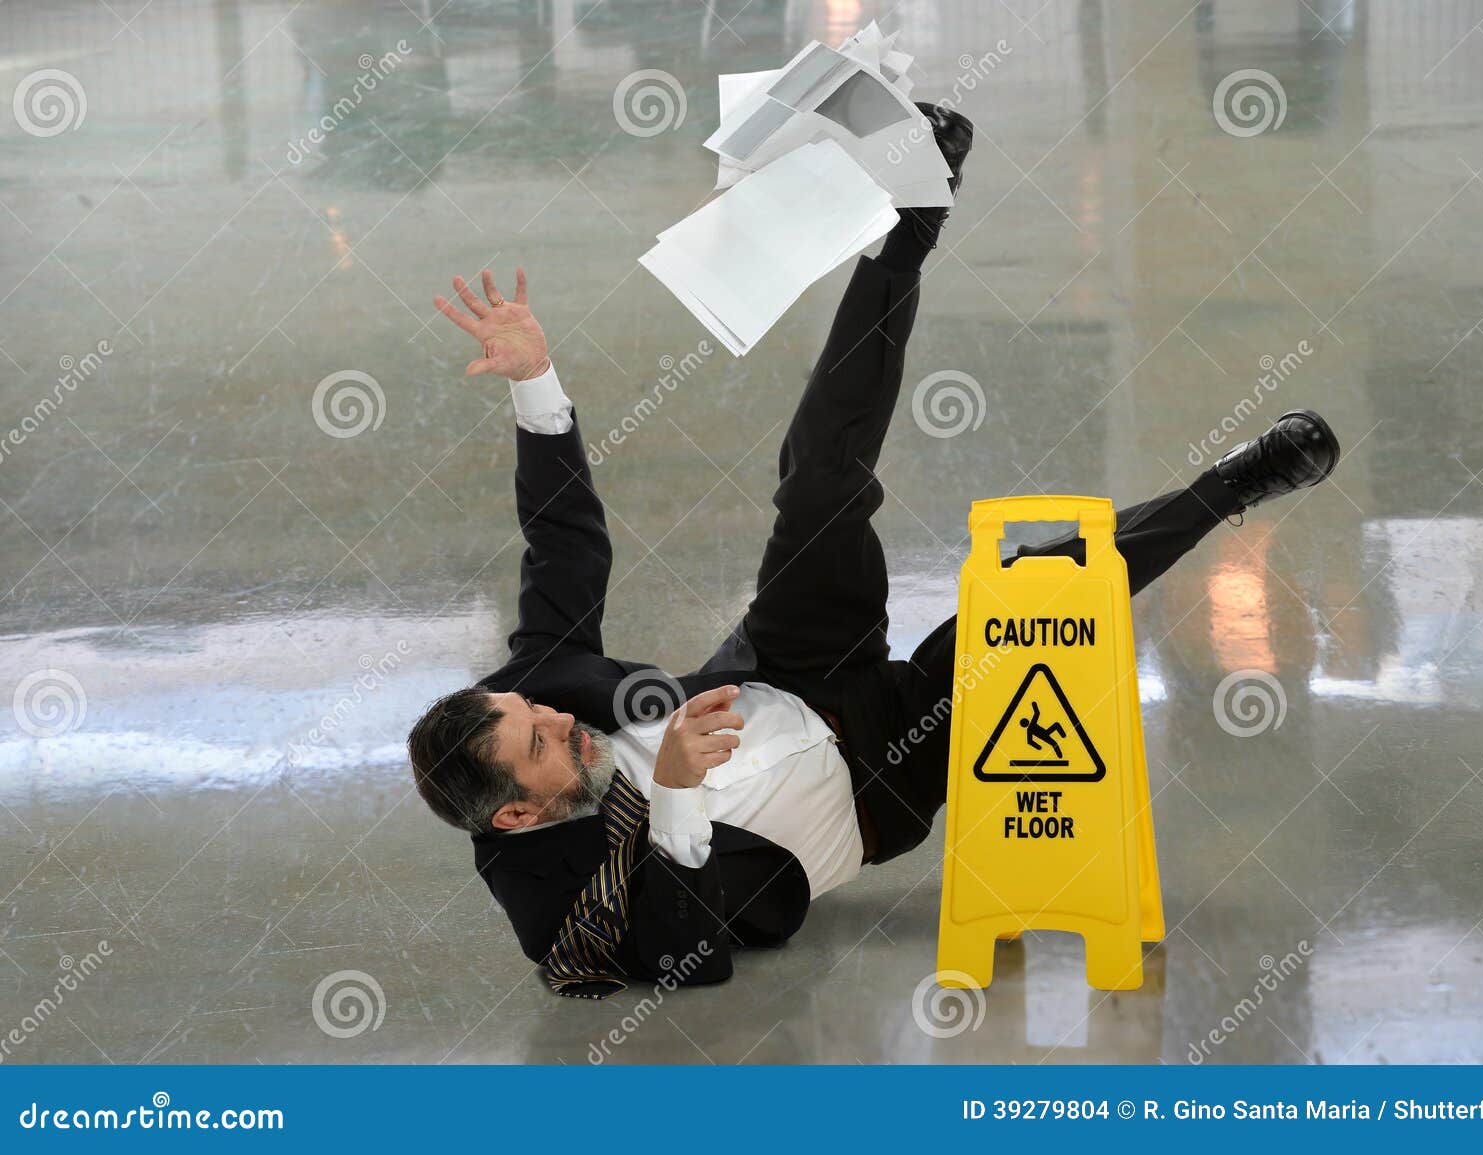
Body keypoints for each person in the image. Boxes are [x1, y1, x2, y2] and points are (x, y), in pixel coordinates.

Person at [407, 107, 1341, 998]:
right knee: (1031, 606)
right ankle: (1232, 484)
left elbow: (563, 542)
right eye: (541, 741)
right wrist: (680, 793)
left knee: (819, 477)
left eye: (534, 707)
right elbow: (690, 955)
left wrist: (536, 384)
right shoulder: (548, 905)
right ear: (516, 814)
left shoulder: (536, 693)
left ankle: (910, 221)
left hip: (785, 670)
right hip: (878, 777)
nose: (558, 716)